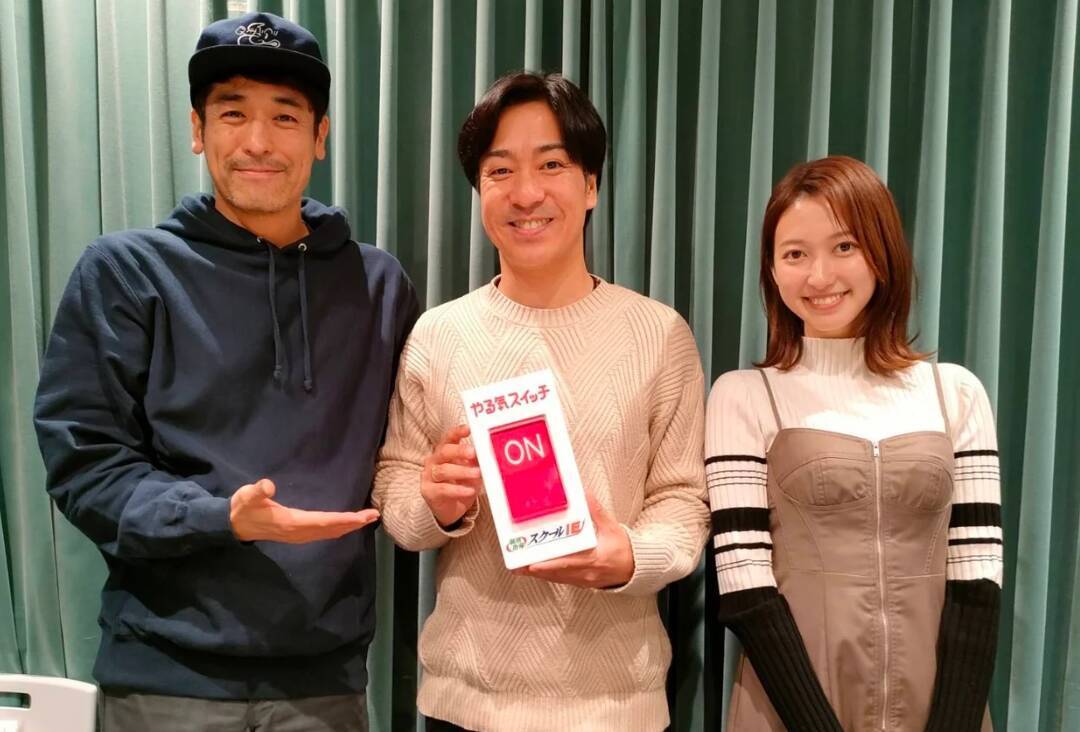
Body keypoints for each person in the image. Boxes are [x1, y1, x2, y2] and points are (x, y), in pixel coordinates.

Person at [33, 12, 418, 731]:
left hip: (326, 681)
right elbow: (85, 465)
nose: (258, 141)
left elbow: (404, 457)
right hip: (164, 677)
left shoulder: (378, 285)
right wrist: (221, 517)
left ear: (320, 135)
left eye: (285, 116)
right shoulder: (125, 271)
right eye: (233, 113)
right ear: (197, 129)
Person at [372, 71, 709, 732]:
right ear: (480, 192)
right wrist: (434, 502)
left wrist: (629, 556)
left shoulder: (658, 334)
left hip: (616, 707)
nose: (526, 193)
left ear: (591, 186)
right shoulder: (438, 334)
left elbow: (683, 500)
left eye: (552, 165)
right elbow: (395, 489)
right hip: (464, 703)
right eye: (500, 171)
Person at [706, 156, 1002, 731]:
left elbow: (978, 576)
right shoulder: (742, 396)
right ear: (772, 270)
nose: (819, 276)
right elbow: (744, 586)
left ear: (882, 254)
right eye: (795, 254)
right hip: (790, 708)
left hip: (940, 705)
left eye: (844, 247)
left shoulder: (956, 392)